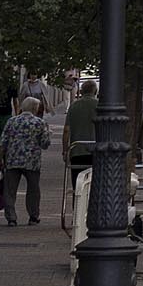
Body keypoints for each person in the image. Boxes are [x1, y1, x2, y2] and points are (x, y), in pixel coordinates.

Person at [0, 96, 49, 226]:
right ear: (35, 108)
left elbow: (3, 142)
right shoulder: (40, 123)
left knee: (10, 190)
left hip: (12, 159)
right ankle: (33, 216)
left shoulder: (12, 121)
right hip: (32, 162)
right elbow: (45, 144)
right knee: (33, 189)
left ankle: (11, 218)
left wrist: (0, 159)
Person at [61, 80, 98, 229]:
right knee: (95, 186)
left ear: (81, 91)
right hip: (96, 152)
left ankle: (76, 216)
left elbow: (66, 130)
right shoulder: (100, 106)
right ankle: (91, 216)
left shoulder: (74, 106)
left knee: (78, 185)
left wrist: (65, 150)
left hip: (77, 151)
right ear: (95, 91)